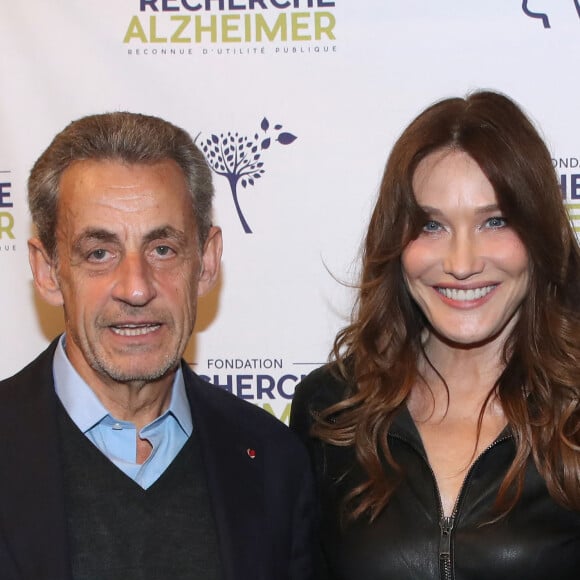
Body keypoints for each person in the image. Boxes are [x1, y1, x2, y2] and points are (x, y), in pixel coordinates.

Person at [0, 111, 317, 580]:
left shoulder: (273, 462)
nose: (136, 288)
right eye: (99, 253)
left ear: (206, 262)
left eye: (162, 249)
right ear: (48, 271)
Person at [290, 90, 580, 579]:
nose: (462, 264)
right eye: (431, 225)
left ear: (538, 236)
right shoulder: (331, 408)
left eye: (495, 221)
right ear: (395, 242)